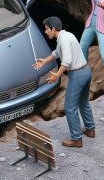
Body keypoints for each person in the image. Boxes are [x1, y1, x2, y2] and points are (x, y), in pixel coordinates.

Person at [33, 16, 95, 148]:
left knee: (70, 107)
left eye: (46, 29)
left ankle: (76, 139)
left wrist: (57, 75)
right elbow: (57, 53)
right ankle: (90, 129)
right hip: (85, 71)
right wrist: (44, 61)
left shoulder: (64, 40)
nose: (45, 32)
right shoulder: (65, 36)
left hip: (77, 74)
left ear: (53, 28)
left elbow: (66, 61)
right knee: (83, 102)